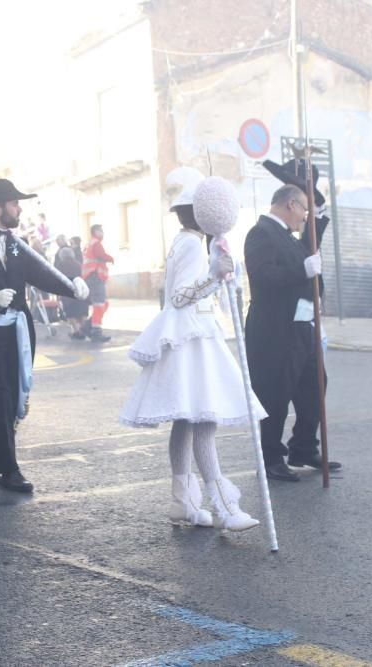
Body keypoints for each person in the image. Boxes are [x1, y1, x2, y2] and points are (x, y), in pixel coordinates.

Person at [120, 170, 261, 531]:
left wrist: (219, 273)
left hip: (196, 333)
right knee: (203, 422)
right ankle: (226, 507)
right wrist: (214, 275)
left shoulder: (192, 241)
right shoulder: (188, 244)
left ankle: (183, 502)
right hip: (191, 337)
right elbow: (180, 297)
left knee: (187, 421)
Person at [0, 178, 89, 494]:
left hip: (17, 331)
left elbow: (41, 276)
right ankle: (9, 470)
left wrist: (72, 288)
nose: (19, 208)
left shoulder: (16, 244)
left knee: (12, 400)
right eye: (14, 203)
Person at [244, 162, 342, 483]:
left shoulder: (289, 234)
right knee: (275, 393)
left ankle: (303, 446)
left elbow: (311, 237)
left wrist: (316, 202)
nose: (305, 217)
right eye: (303, 210)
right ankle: (271, 457)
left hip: (302, 327)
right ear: (290, 204)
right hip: (275, 330)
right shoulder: (261, 232)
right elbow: (263, 276)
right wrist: (303, 270)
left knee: (314, 385)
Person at [81, 224, 114, 343]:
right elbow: (101, 255)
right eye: (101, 231)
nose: (103, 233)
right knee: (99, 304)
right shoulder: (96, 244)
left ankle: (88, 326)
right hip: (95, 277)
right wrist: (111, 258)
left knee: (103, 304)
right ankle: (96, 331)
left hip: (91, 277)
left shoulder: (89, 244)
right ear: (95, 231)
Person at [54, 234, 88, 339]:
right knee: (82, 311)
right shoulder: (78, 264)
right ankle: (81, 329)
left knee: (70, 313)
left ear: (62, 255)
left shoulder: (60, 265)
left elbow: (58, 278)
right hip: (80, 290)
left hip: (68, 292)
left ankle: (77, 330)